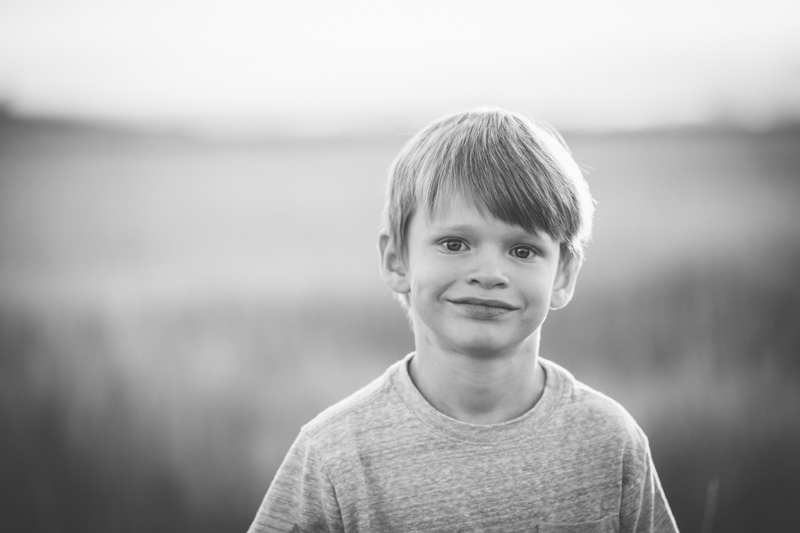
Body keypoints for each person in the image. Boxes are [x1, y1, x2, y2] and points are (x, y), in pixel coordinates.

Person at [248, 108, 679, 532]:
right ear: (397, 260)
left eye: (523, 250)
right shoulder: (334, 453)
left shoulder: (608, 441)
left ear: (563, 274)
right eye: (455, 244)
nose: (490, 273)